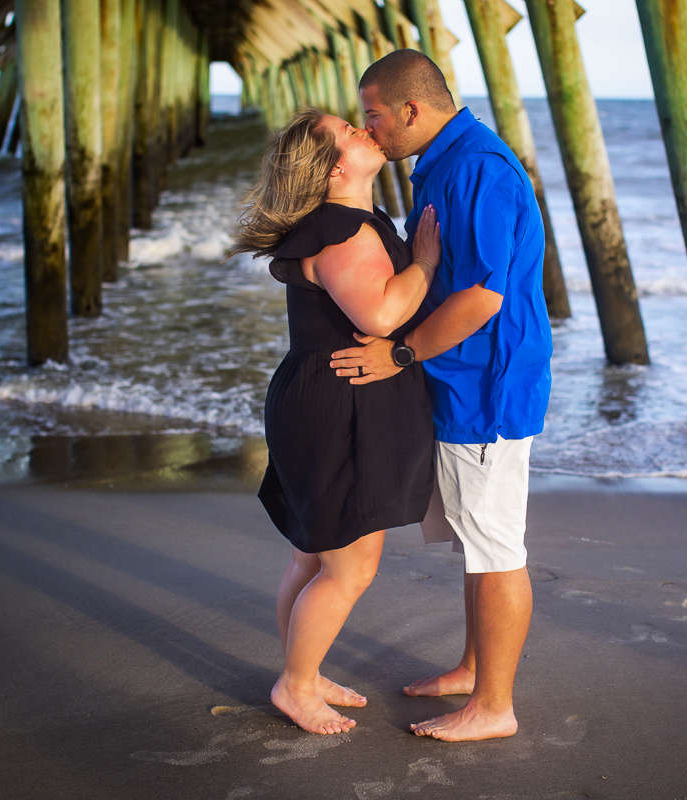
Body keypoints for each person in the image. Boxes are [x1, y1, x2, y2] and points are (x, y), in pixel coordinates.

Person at [329, 49, 553, 742]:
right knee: (473, 542)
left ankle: (496, 706)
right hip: (459, 379)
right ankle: (471, 670)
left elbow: (484, 295)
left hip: (489, 383)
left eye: (374, 116)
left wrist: (399, 353)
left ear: (412, 111)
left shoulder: (478, 168)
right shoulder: (443, 160)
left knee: (496, 549)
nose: (370, 131)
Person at [232, 108, 442, 735]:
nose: (361, 129)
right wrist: (425, 265)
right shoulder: (345, 230)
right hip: (336, 406)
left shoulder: (343, 222)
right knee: (350, 567)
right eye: (346, 131)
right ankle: (295, 685)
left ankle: (307, 668)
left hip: (319, 398)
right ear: (333, 170)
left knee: (312, 557)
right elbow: (380, 315)